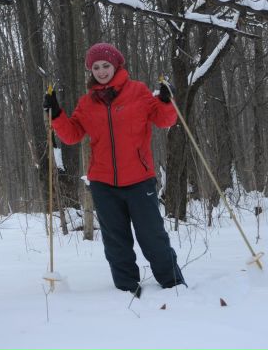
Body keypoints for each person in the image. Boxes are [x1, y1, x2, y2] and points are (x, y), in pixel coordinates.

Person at [43, 42, 186, 297]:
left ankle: (173, 283)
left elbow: (165, 120)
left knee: (152, 236)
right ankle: (126, 288)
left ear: (116, 65)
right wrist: (56, 114)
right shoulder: (87, 103)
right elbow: (73, 134)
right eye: (95, 67)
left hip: (140, 180)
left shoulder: (138, 92)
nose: (101, 71)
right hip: (104, 184)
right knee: (116, 241)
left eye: (105, 65)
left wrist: (166, 100)